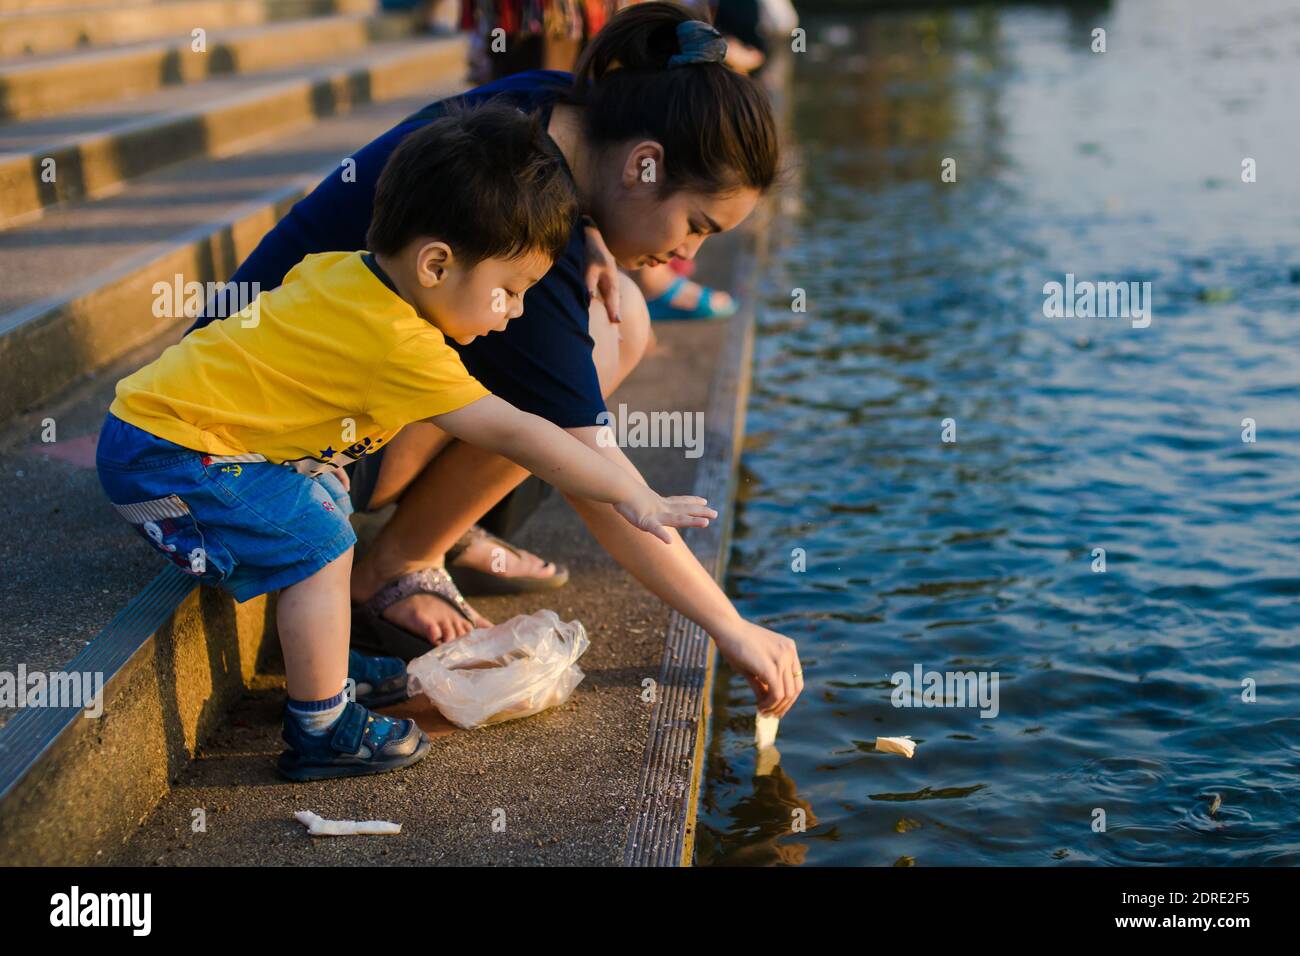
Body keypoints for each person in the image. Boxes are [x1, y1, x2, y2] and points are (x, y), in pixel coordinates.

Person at [190, 1, 805, 719]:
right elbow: (594, 475)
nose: (688, 257)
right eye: (696, 226)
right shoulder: (519, 223)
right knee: (571, 375)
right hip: (264, 445)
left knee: (619, 316)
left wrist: (601, 247)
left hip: (254, 374)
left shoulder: (545, 108)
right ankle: (397, 566)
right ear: (645, 162)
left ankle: (422, 542)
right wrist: (732, 627)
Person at [96, 103, 716, 781]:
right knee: (319, 539)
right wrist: (634, 493)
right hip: (171, 461)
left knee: (324, 498)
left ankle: (326, 664)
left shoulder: (349, 273)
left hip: (159, 435)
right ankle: (320, 729)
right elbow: (520, 432)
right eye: (510, 291)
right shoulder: (400, 345)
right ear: (437, 264)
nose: (514, 314)